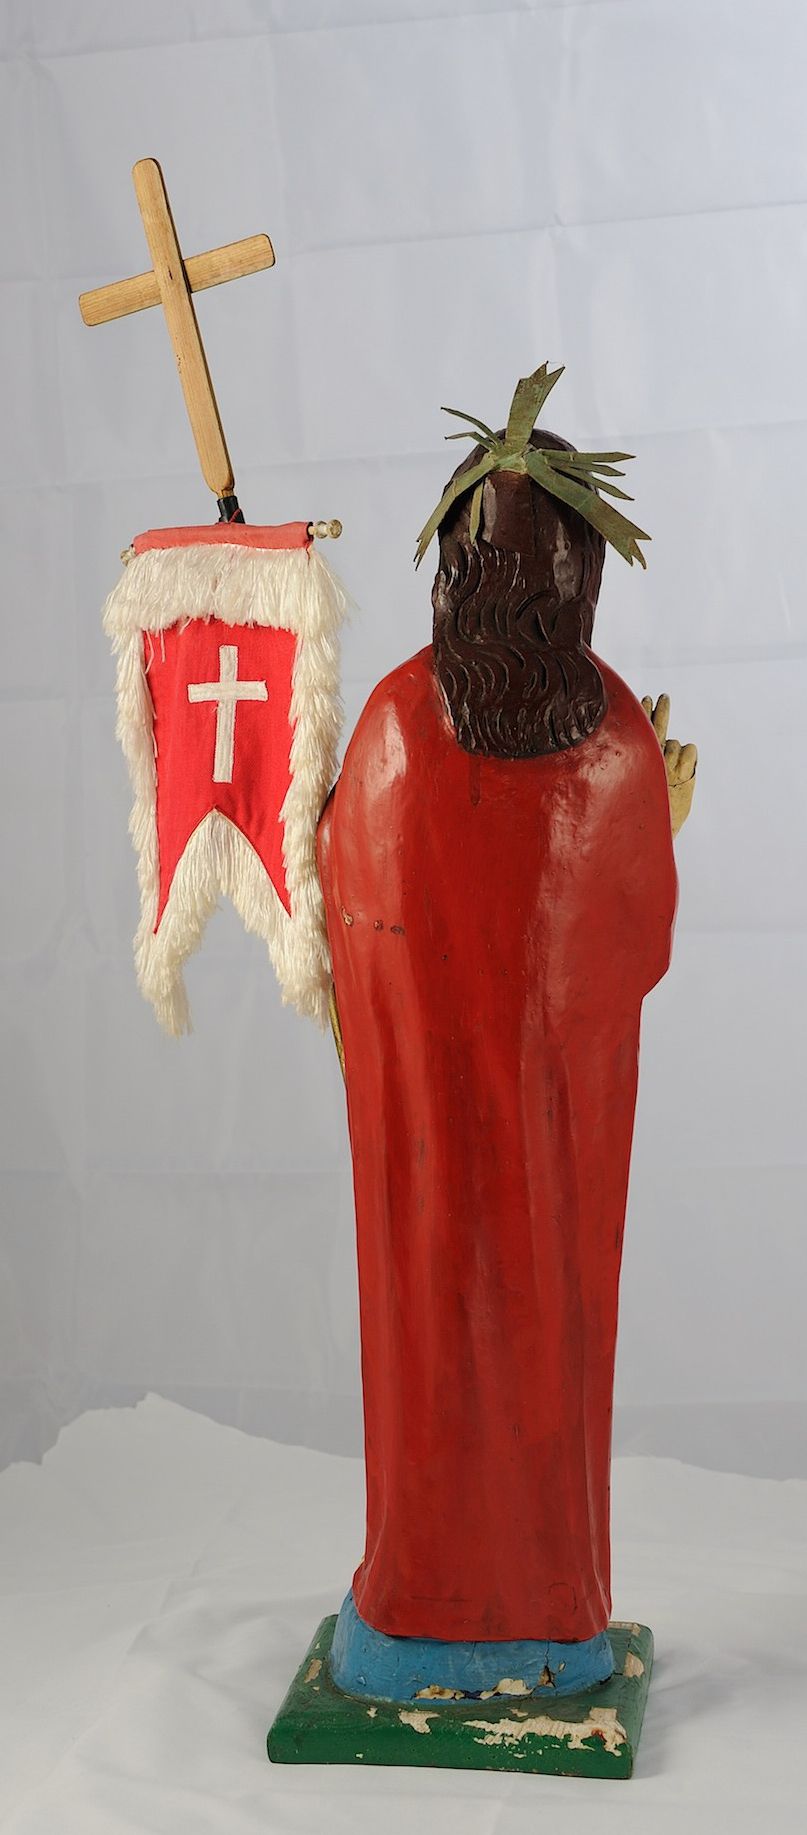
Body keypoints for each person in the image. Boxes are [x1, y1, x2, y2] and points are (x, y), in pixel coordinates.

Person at [317, 369, 696, 1702]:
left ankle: (421, 1616)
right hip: (545, 1161)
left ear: (451, 578)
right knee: (538, 1351)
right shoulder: (618, 744)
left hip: (434, 1151)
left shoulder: (391, 728)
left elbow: (348, 906)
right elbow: (638, 944)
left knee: (439, 1349)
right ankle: (542, 1618)